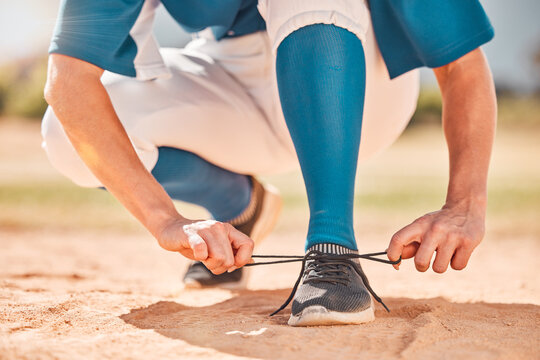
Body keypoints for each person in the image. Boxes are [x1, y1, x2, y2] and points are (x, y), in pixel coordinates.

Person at [42, 0, 496, 326]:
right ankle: (238, 203)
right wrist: (166, 221)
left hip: (362, 87)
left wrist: (465, 205)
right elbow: (69, 81)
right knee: (65, 134)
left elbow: (462, 67)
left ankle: (333, 249)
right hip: (232, 78)